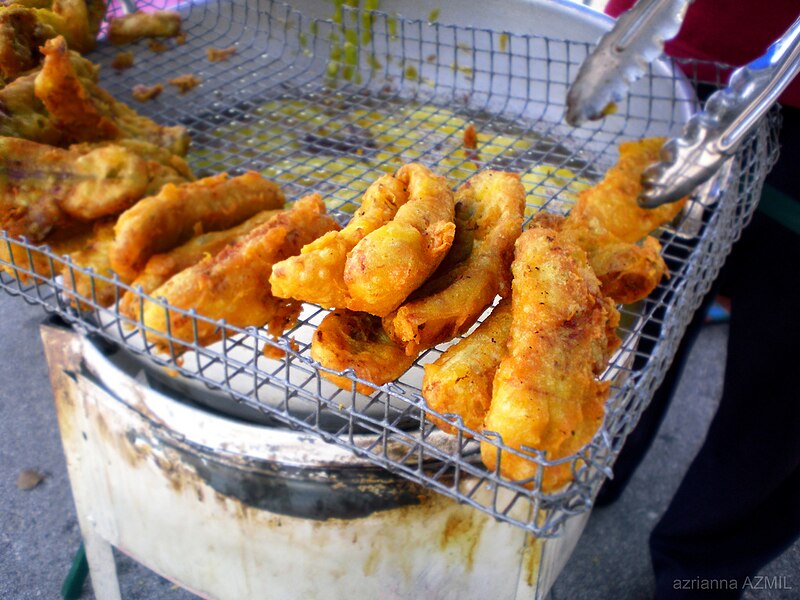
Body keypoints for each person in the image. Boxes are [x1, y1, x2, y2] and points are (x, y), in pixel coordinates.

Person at [596, 1, 800, 598]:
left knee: (783, 388)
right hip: (681, 51)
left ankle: (702, 574)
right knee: (632, 307)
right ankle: (583, 472)